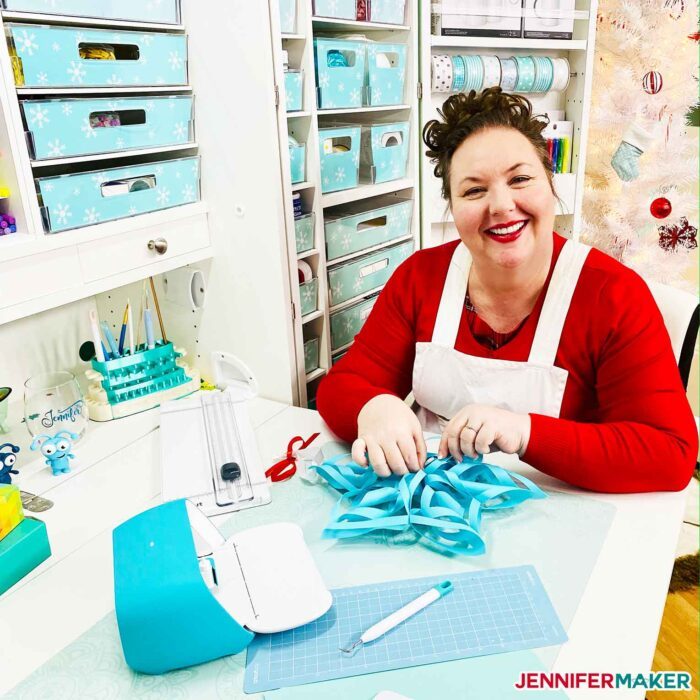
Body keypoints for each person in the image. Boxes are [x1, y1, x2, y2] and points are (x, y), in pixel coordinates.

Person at [317, 87, 698, 494]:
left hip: (560, 515)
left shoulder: (614, 297)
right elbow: (342, 385)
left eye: (520, 178)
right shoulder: (420, 278)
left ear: (550, 184)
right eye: (474, 190)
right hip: (435, 511)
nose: (500, 205)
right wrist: (373, 408)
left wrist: (525, 433)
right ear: (452, 206)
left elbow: (669, 453)